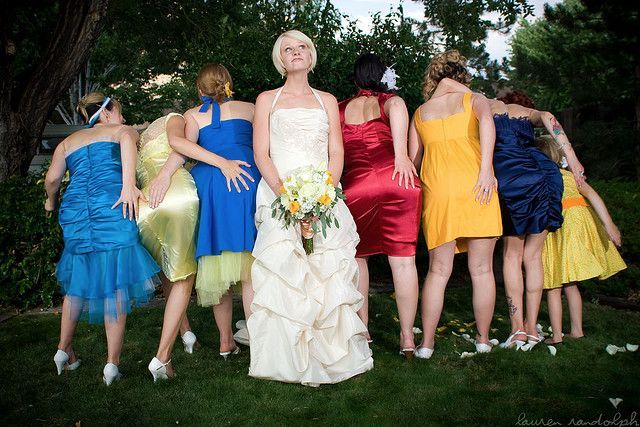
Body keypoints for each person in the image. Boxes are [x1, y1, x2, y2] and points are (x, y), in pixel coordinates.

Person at [248, 30, 373, 385]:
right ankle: (285, 357)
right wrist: (286, 196)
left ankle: (331, 352)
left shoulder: (327, 100)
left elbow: (337, 151)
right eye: (288, 49)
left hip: (323, 196)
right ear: (281, 59)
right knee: (286, 273)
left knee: (326, 269)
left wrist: (324, 194)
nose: (296, 52)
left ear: (310, 54)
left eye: (302, 46)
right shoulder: (266, 100)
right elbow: (261, 153)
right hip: (279, 194)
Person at [433, 79, 586, 350]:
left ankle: (518, 330)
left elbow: (445, 84)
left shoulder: (483, 105)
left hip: (511, 177)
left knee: (512, 256)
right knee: (533, 256)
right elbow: (549, 117)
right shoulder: (524, 112)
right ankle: (533, 329)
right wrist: (572, 160)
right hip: (545, 176)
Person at [44, 92, 159, 385]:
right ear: (106, 112)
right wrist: (128, 185)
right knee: (115, 284)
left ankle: (63, 350)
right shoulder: (122, 131)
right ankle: (111, 364)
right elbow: (127, 150)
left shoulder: (68, 142)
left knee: (77, 282)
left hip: (76, 211)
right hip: (111, 204)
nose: (123, 118)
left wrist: (50, 202)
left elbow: (53, 180)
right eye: (119, 111)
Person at [408, 50, 502, 359]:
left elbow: (412, 161)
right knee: (482, 269)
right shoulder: (475, 100)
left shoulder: (420, 112)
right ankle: (483, 340)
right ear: (462, 76)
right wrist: (486, 170)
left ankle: (426, 345)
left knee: (437, 270)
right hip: (477, 184)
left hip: (439, 189)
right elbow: (488, 123)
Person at [169, 63, 257, 359]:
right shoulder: (250, 108)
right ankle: (259, 342)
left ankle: (225, 341)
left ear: (199, 89)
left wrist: (162, 177)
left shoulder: (192, 115)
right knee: (252, 269)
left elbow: (182, 150)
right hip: (248, 178)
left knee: (217, 268)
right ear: (229, 83)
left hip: (212, 186)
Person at [339, 53, 421, 358]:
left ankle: (363, 329)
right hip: (398, 180)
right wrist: (401, 156)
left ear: (357, 78)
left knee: (359, 258)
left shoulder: (340, 108)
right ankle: (407, 338)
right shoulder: (391, 101)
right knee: (403, 262)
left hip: (358, 187)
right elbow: (398, 110)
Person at [537, 135, 626, 344]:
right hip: (578, 222)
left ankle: (557, 336)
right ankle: (577, 330)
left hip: (558, 225)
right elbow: (593, 195)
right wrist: (609, 225)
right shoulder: (570, 176)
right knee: (570, 283)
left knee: (553, 284)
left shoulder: (540, 177)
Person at [136, 113, 200, 381]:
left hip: (144, 205)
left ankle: (187, 333)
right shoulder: (175, 118)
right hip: (174, 193)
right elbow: (179, 145)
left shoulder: (137, 140)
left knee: (168, 268)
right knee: (184, 277)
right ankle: (162, 358)